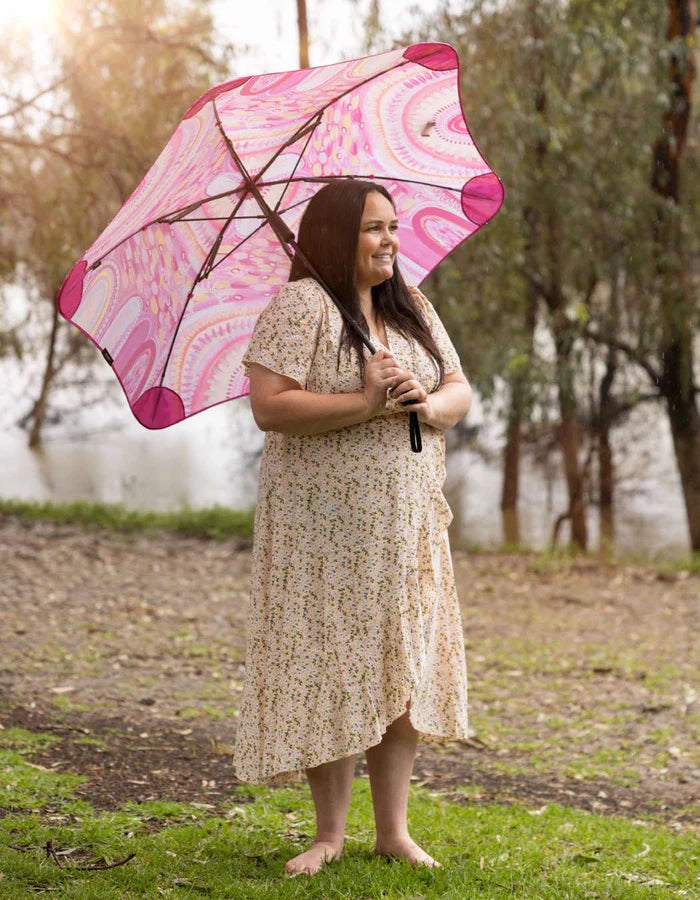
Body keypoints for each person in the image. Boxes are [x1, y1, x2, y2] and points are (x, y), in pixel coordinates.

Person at [232, 179, 473, 876]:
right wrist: (364, 401)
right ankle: (329, 833)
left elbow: (459, 387)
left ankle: (392, 830)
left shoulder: (411, 306)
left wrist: (425, 404)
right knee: (332, 663)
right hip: (324, 527)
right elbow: (270, 408)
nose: (390, 240)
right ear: (337, 238)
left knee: (400, 665)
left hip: (407, 522)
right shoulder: (302, 306)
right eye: (373, 228)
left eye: (393, 226)